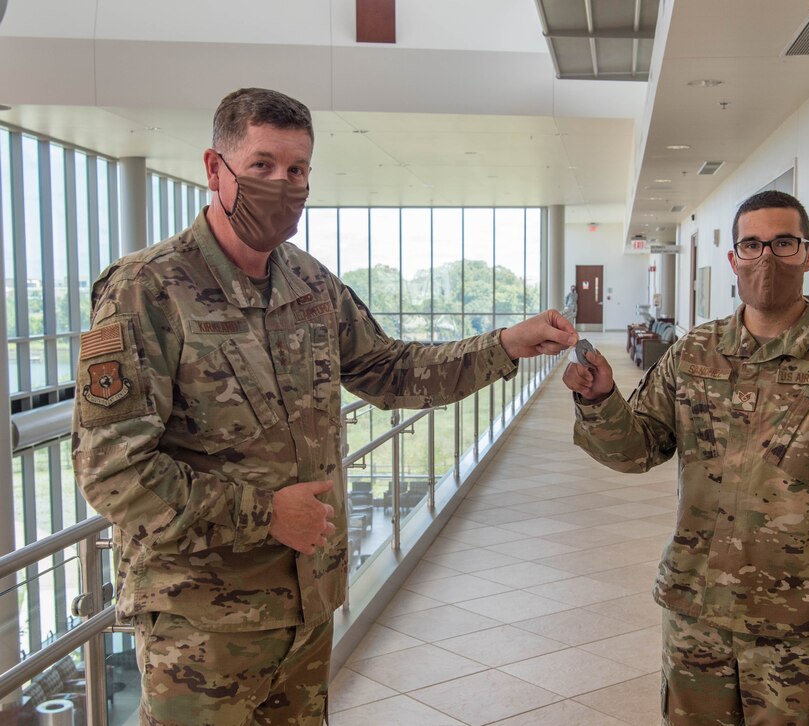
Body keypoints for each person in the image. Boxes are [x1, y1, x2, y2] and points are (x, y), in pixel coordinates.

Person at [71, 87, 577, 725]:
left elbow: (390, 370)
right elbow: (110, 468)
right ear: (214, 168)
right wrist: (264, 515)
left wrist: (506, 344)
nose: (283, 184)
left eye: (298, 170)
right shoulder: (147, 290)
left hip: (307, 599)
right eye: (262, 166)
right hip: (204, 621)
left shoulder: (309, 284)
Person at [563, 191, 809, 724]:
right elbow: (638, 449)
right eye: (752, 245)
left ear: (807, 256)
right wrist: (601, 402)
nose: (766, 259)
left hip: (807, 634)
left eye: (783, 243)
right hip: (698, 618)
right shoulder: (695, 354)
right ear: (733, 258)